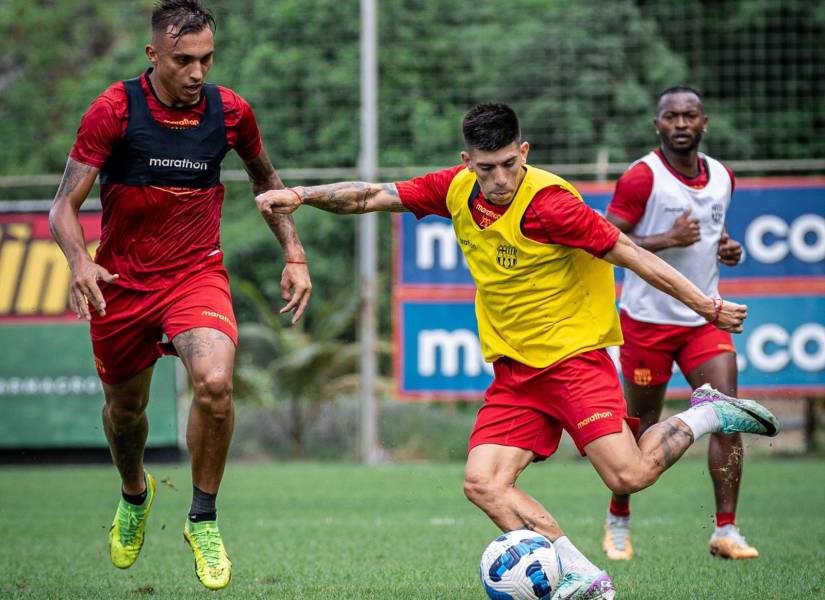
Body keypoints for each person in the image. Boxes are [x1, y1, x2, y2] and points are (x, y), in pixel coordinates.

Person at [255, 102, 779, 600]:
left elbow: (632, 253)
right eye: (487, 168)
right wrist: (301, 194)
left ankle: (708, 412)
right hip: (516, 373)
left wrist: (706, 305)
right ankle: (583, 576)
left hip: (575, 361)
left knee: (628, 476)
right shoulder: (457, 189)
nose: (500, 179)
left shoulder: (552, 204)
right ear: (468, 163)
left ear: (523, 152)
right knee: (483, 483)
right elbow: (371, 196)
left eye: (509, 164)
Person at [49, 0, 311, 590]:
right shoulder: (113, 111)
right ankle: (135, 493)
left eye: (207, 59)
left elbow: (267, 183)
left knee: (215, 384)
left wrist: (293, 252)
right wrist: (78, 262)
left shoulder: (231, 112)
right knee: (126, 414)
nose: (197, 73)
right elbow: (62, 205)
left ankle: (203, 517)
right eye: (183, 60)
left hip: (195, 274)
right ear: (153, 56)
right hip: (120, 283)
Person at [601, 86, 755, 562]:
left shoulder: (723, 176)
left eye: (690, 116)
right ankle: (618, 520)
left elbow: (713, 231)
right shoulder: (642, 177)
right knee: (640, 425)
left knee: (728, 413)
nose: (682, 124)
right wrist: (666, 237)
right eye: (672, 117)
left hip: (702, 319)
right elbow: (606, 236)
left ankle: (726, 530)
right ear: (658, 125)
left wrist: (727, 247)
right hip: (646, 322)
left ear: (704, 122)